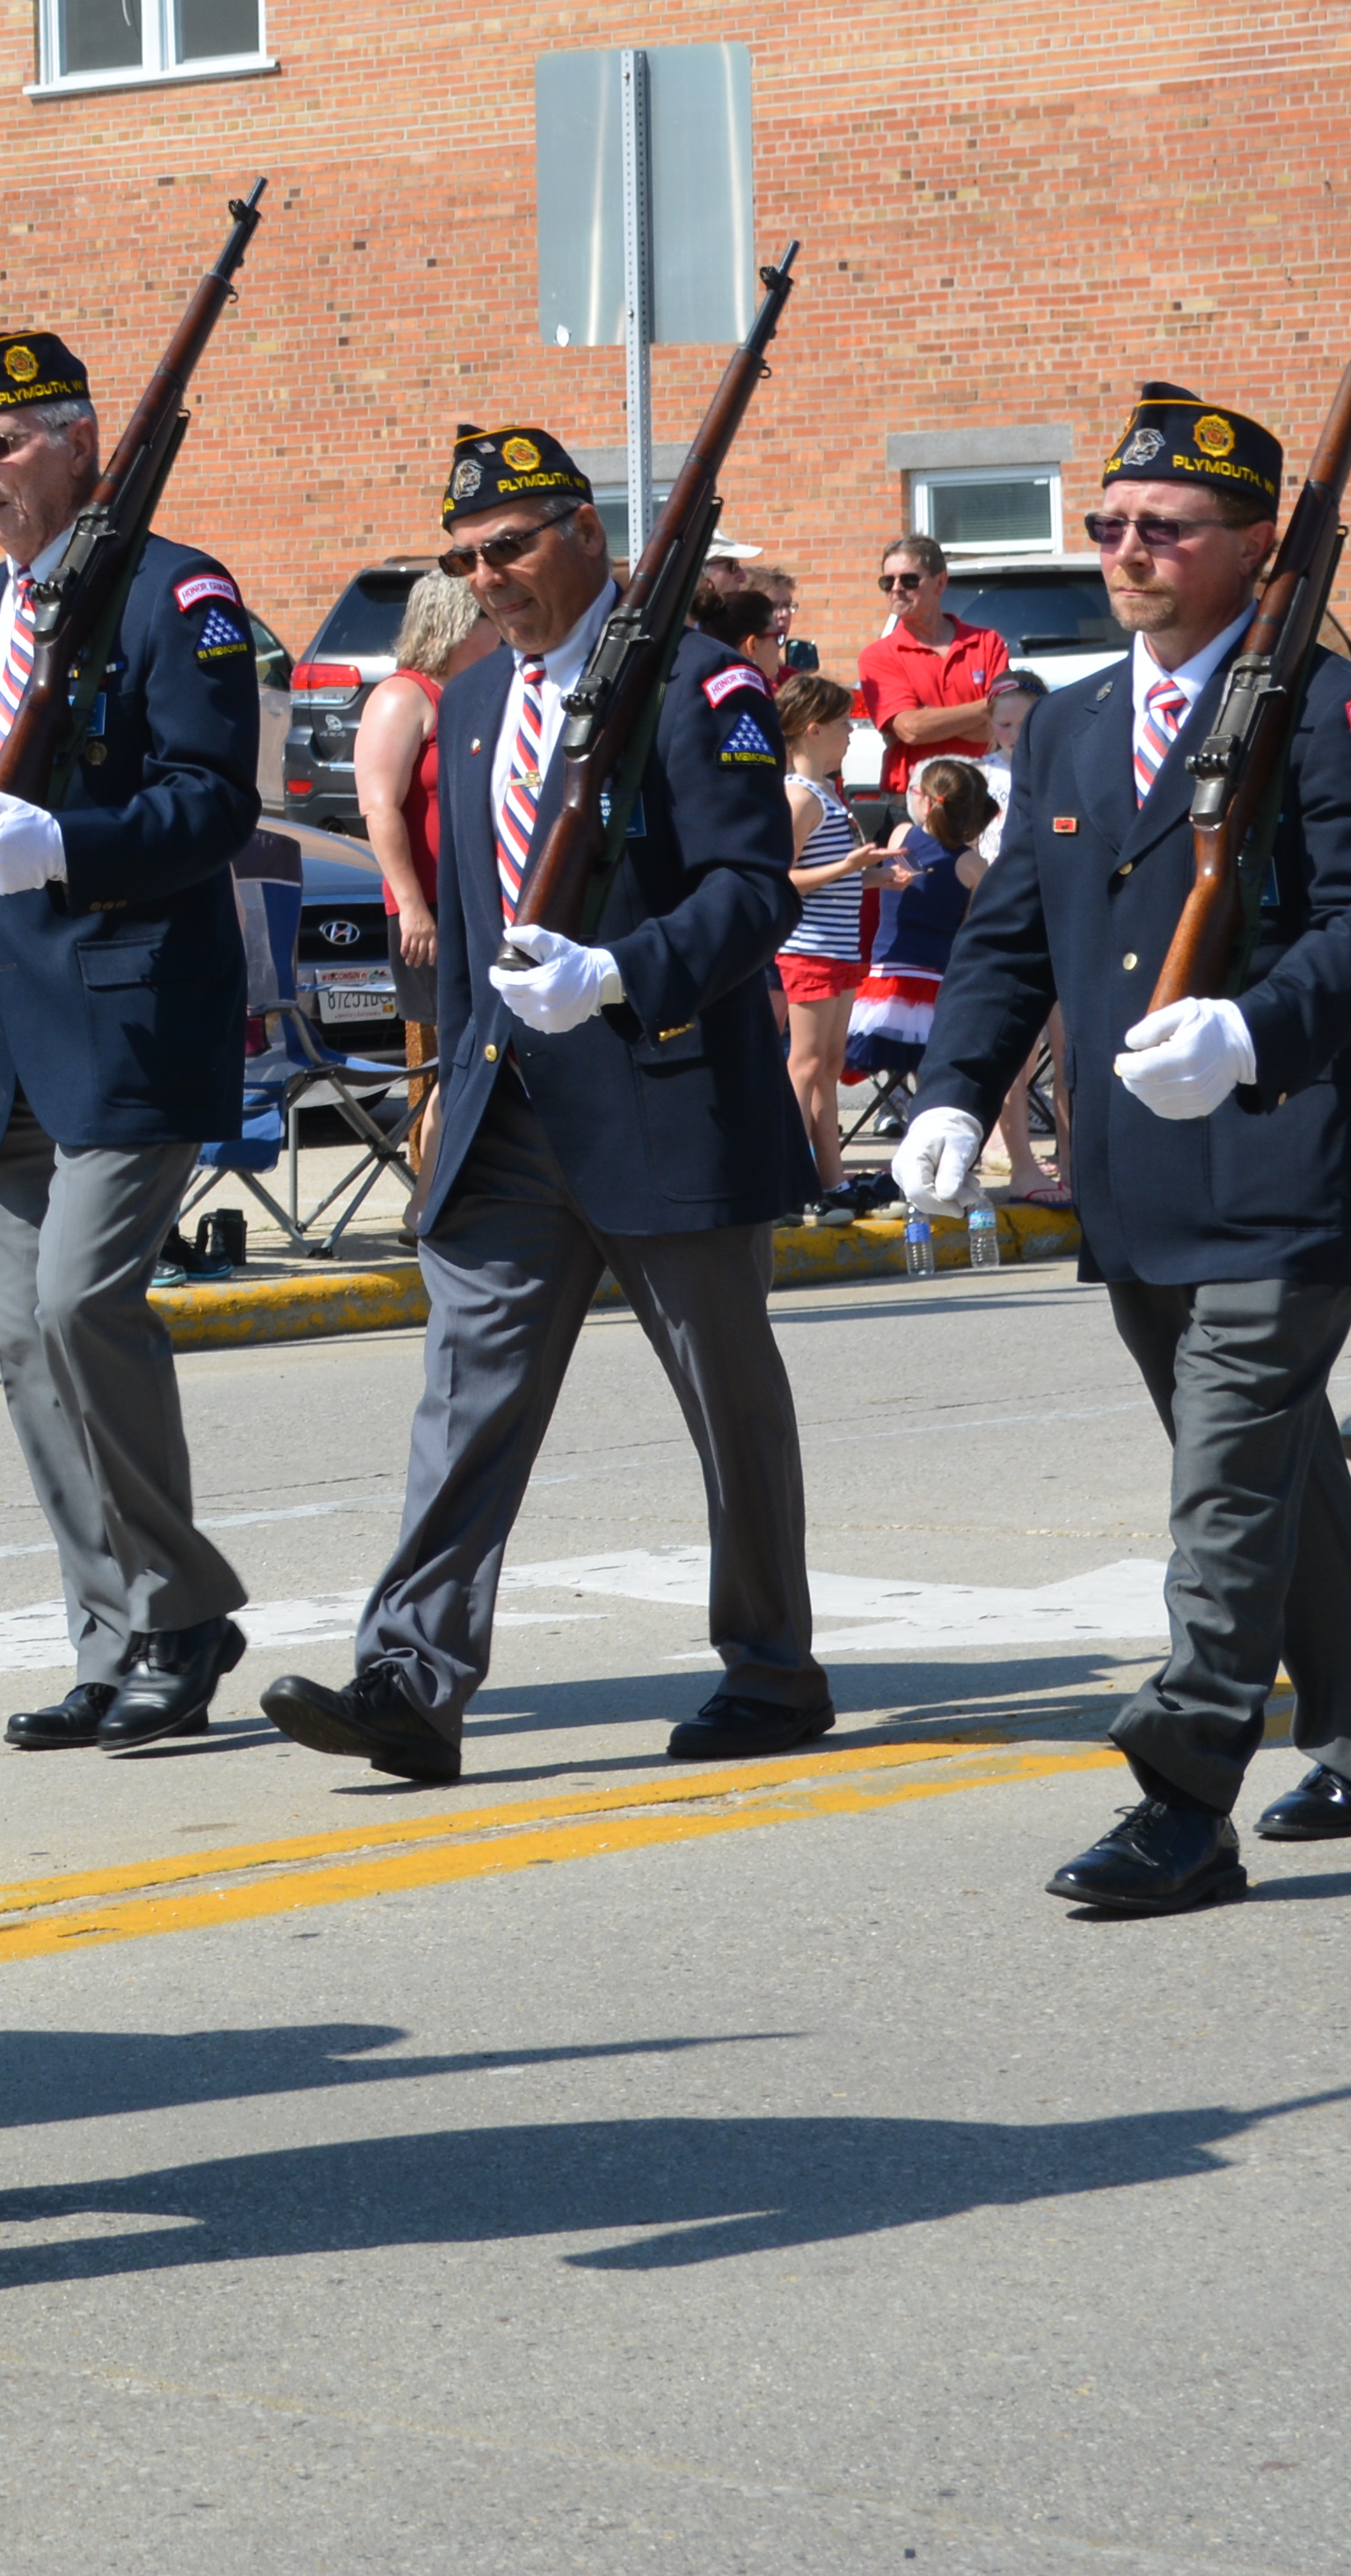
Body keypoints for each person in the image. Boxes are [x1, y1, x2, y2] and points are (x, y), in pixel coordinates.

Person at [895, 383, 1351, 1912]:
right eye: (1111, 524)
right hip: (1138, 1180)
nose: (1127, 550)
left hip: (1283, 1155)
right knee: (1270, 1477)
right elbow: (1010, 940)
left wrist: (1255, 1032)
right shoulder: (1068, 720)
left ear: (1257, 546)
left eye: (1166, 528)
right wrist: (952, 1092)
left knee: (1221, 1490)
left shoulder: (1341, 715)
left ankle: (1181, 1791)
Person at [257, 423, 830, 1786]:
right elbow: (463, 927)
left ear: (586, 533)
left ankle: (770, 1667)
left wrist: (621, 972)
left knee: (726, 1398)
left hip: (663, 1093)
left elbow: (750, 895)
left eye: (508, 546)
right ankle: (412, 1675)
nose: (488, 576)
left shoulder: (705, 692)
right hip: (510, 1109)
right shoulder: (464, 706)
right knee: (466, 1397)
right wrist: (449, 1091)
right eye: (465, 556)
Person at [0, 325, 264, 1754]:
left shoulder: (179, 594)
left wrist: (71, 845)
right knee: (21, 1349)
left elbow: (211, 805)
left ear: (77, 441)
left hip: (124, 1018)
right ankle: (117, 1637)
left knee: (79, 1309)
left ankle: (177, 1606)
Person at [358, 567, 495, 1186]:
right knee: (459, 1060)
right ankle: (433, 1198)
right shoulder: (403, 696)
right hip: (433, 913)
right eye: (489, 617)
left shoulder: (479, 693)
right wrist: (412, 906)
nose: (502, 628)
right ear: (458, 624)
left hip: (485, 908)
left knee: (491, 1054)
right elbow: (379, 807)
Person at [773, 673, 909, 1208]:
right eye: (842, 725)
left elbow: (826, 874)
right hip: (807, 949)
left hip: (836, 950)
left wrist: (873, 875)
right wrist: (850, 865)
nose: (851, 735)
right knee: (804, 1065)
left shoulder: (825, 794)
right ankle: (784, 1179)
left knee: (828, 1066)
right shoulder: (799, 796)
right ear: (812, 731)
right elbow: (779, 877)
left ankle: (831, 1183)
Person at [975, 664, 1068, 1202]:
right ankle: (1019, 1160)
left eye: (1025, 724)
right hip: (1004, 917)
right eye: (1005, 726)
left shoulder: (1064, 766)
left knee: (1067, 1046)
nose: (1014, 736)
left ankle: (1075, 1158)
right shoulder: (976, 776)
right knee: (1016, 1051)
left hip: (1059, 915)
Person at [851, 757, 994, 1087]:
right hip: (938, 986)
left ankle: (895, 1099)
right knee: (937, 1075)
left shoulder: (900, 835)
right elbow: (972, 931)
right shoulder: (974, 865)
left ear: (926, 802)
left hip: (883, 983)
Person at [852, 532, 1010, 779]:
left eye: (909, 580)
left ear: (940, 583)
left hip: (985, 792)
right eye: (887, 581)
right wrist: (985, 707)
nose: (896, 589)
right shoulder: (878, 656)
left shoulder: (987, 643)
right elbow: (911, 730)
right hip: (914, 798)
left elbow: (1003, 728)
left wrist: (930, 719)